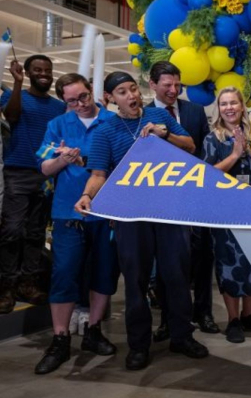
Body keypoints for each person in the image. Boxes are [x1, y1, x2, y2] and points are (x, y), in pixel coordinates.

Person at [74, 71, 208, 371]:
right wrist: (86, 196)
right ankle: (138, 344)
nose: (131, 96)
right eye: (122, 92)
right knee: (135, 280)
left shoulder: (159, 116)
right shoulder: (105, 131)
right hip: (130, 215)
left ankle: (181, 335)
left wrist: (165, 135)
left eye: (133, 89)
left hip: (169, 210)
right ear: (110, 99)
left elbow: (190, 146)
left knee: (176, 275)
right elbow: (98, 174)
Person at [33, 74, 120, 374]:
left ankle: (93, 331)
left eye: (84, 96)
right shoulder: (57, 125)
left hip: (107, 212)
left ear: (91, 90)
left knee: (103, 273)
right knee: (64, 274)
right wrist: (64, 160)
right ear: (64, 101)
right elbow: (44, 166)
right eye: (72, 101)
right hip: (67, 213)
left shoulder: (112, 121)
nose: (80, 104)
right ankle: (60, 338)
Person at [146, 61, 219, 340]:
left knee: (202, 255)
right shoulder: (144, 113)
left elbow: (201, 150)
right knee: (168, 261)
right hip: (160, 198)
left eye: (178, 85)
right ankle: (168, 318)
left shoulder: (194, 111)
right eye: (167, 85)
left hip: (193, 193)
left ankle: (204, 312)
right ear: (153, 84)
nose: (174, 90)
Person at [203, 87, 251, 343]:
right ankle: (232, 319)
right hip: (226, 214)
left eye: (233, 103)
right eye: (224, 104)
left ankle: (248, 314)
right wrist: (234, 155)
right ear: (218, 109)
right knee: (229, 265)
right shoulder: (213, 139)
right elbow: (207, 176)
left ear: (243, 106)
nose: (229, 108)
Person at [0, 56, 65, 312]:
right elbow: (12, 116)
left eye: (47, 71)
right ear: (27, 72)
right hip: (18, 172)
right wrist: (17, 84)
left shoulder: (58, 107)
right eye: (37, 70)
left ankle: (28, 282)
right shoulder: (14, 97)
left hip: (46, 176)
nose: (44, 74)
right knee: (12, 230)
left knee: (37, 232)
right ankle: (6, 286)